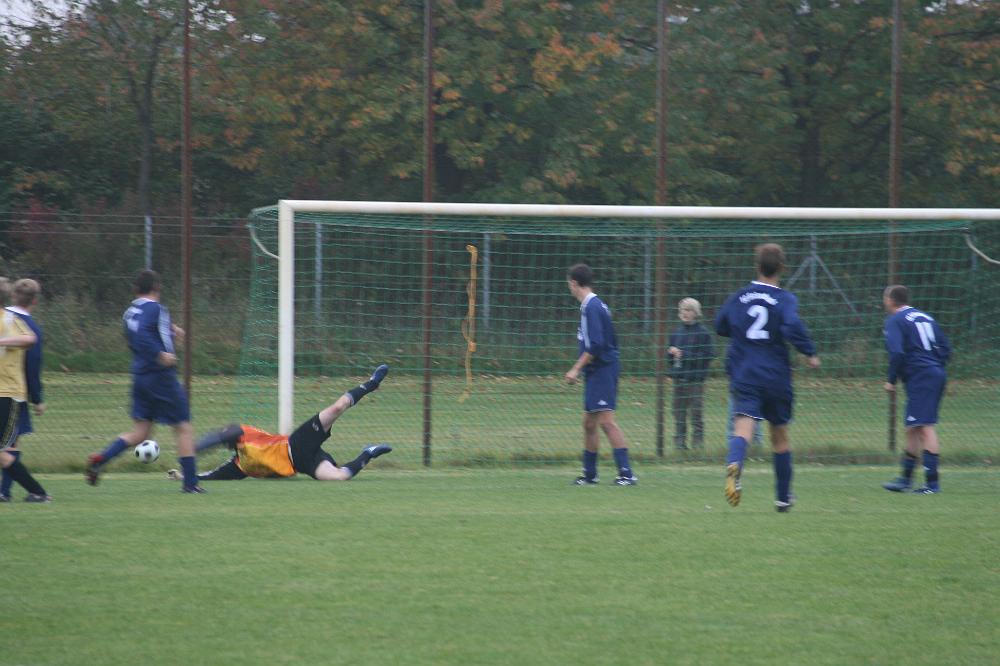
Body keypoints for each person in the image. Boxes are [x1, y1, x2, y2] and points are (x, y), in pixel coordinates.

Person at [715, 244, 820, 511]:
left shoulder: (739, 297)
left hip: (744, 371)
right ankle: (783, 498)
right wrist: (809, 352)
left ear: (757, 266)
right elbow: (792, 325)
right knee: (779, 435)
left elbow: (720, 325)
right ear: (782, 268)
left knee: (743, 428)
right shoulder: (784, 299)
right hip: (775, 374)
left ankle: (735, 463)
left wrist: (741, 334)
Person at [85, 270, 203, 493]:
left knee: (141, 433)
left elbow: (139, 333)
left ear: (136, 290)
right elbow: (144, 336)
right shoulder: (155, 308)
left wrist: (171, 330)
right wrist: (160, 354)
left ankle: (101, 460)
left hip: (140, 376)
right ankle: (190, 484)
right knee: (183, 427)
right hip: (160, 376)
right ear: (156, 288)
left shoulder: (130, 311)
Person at [186, 364, 392, 481]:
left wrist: (194, 449)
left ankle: (372, 383)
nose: (224, 438)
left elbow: (228, 433)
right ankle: (369, 452)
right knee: (339, 477)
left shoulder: (246, 434)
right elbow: (212, 475)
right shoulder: (241, 466)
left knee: (337, 408)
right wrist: (186, 475)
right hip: (302, 463)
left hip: (297, 443)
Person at [564, 264, 636, 486]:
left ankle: (626, 474)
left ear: (575, 283)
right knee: (588, 423)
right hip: (596, 371)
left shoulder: (591, 307)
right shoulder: (595, 305)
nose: (569, 288)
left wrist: (576, 368)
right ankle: (590, 474)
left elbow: (596, 344)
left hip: (603, 369)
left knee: (606, 421)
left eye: (569, 284)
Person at [880, 285, 950, 494]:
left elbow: (897, 353)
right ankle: (905, 479)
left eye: (885, 297)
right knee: (913, 427)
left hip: (922, 376)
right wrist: (934, 367)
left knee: (925, 427)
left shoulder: (895, 321)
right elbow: (946, 349)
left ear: (891, 300)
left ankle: (932, 484)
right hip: (933, 374)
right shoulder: (925, 317)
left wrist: (891, 380)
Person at [0, 278, 50, 502]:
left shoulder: (12, 320)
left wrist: (3, 341)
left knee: (6, 448)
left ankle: (33, 491)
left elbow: (30, 341)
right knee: (6, 448)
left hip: (9, 393)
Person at [667, 297, 715, 450]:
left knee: (696, 413)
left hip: (695, 380)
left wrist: (684, 354)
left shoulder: (703, 333)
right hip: (679, 379)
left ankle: (697, 445)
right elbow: (669, 357)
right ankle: (680, 444)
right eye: (682, 310)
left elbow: (708, 356)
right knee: (678, 413)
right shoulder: (676, 333)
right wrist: (670, 353)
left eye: (688, 310)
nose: (684, 313)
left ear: (696, 313)